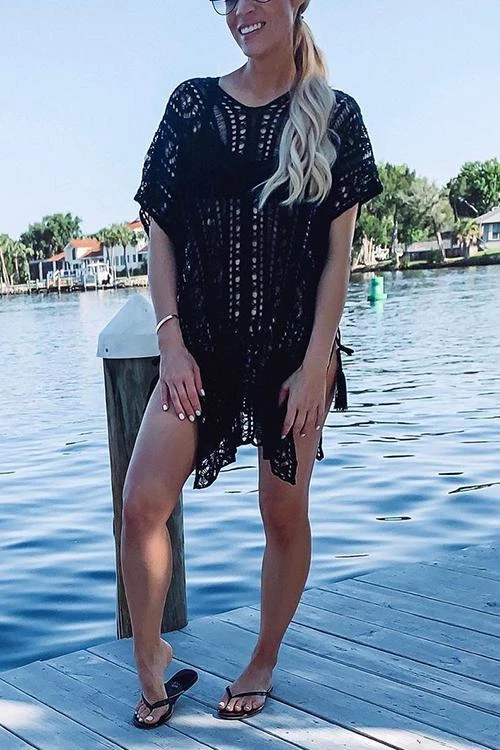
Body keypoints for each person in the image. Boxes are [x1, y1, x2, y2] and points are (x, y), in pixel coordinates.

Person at [125, 0, 383, 729]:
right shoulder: (192, 107)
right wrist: (171, 341)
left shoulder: (337, 118)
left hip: (292, 353)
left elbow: (337, 260)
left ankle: (264, 658)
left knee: (283, 511)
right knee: (142, 504)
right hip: (198, 348)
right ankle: (149, 663)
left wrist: (317, 363)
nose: (243, 9)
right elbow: (160, 230)